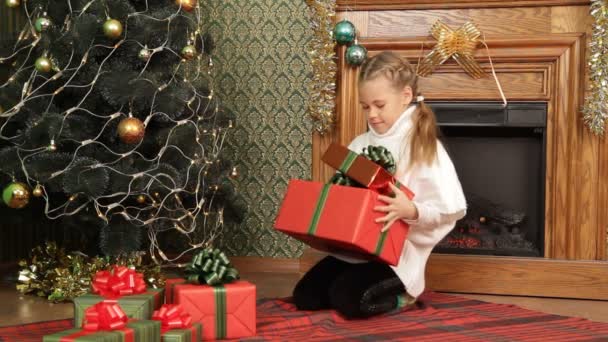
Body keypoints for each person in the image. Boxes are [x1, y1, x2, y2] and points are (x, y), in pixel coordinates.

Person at [293, 51, 467, 319]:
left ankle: (404, 297)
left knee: (350, 301)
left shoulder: (423, 145)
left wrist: (411, 210)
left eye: (379, 105)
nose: (372, 114)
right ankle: (350, 281)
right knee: (306, 297)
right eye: (365, 107)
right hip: (357, 251)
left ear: (406, 96)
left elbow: (449, 210)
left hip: (397, 259)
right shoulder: (360, 144)